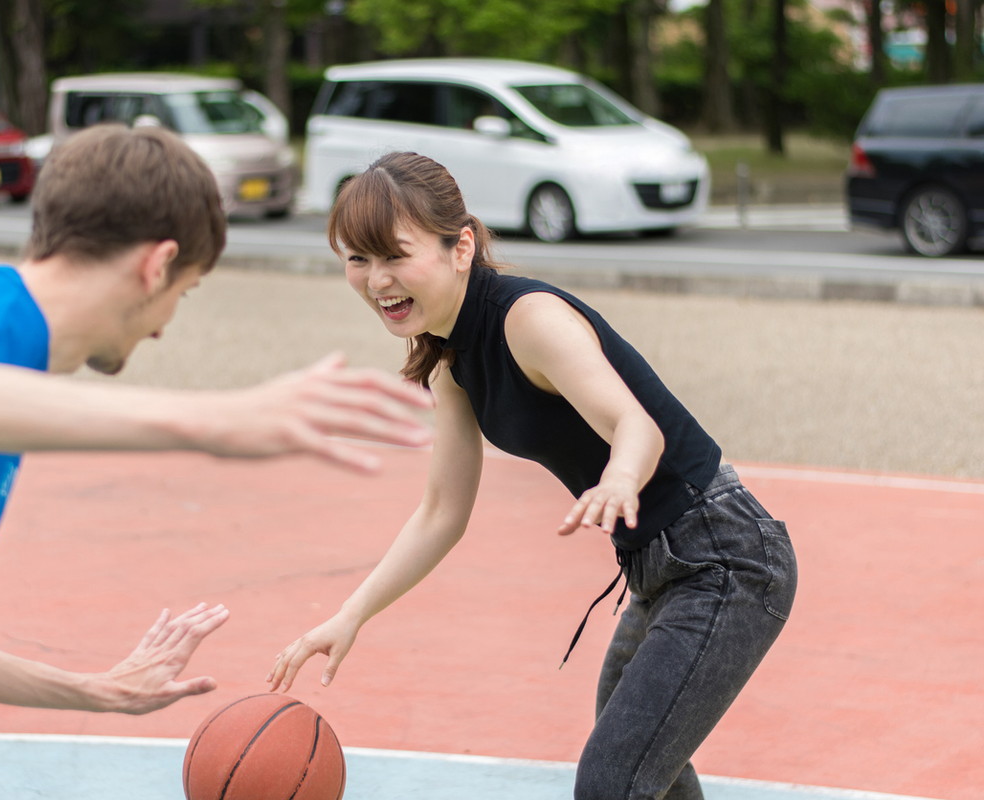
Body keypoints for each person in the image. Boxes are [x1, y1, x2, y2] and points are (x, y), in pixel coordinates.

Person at [0, 125, 434, 800]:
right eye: (183, 293)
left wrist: (97, 690)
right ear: (156, 266)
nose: (162, 327)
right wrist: (215, 419)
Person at [267, 152, 798, 800]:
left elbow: (638, 427)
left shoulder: (529, 320)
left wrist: (621, 479)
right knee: (644, 769)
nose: (377, 279)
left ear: (460, 246)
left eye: (394, 255)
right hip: (664, 569)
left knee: (612, 782)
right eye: (357, 258)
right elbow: (441, 513)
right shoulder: (451, 361)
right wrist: (350, 615)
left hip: (725, 559)